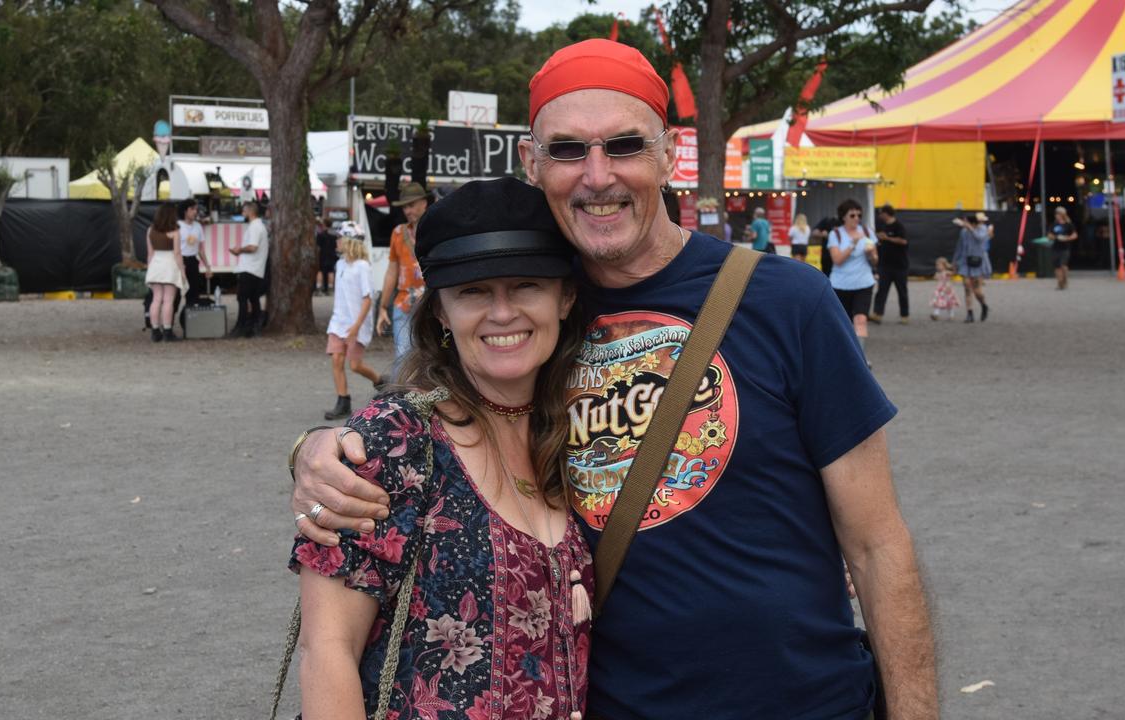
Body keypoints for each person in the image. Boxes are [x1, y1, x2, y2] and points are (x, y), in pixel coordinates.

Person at [292, 39, 937, 720]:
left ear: (669, 151)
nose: (597, 176)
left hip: (809, 703)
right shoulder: (530, 322)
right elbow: (428, 421)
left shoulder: (789, 303)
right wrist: (317, 449)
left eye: (624, 146)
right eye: (568, 150)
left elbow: (876, 546)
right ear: (531, 163)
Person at [291, 177, 592, 720]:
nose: (502, 313)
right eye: (473, 291)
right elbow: (326, 649)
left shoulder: (580, 435)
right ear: (439, 314)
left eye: (526, 285)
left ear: (565, 297)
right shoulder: (393, 444)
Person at [322, 236, 380, 420]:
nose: (337, 241)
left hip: (356, 323)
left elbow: (367, 298)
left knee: (355, 365)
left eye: (340, 238)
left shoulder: (362, 266)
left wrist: (356, 326)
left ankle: (379, 381)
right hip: (338, 321)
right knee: (337, 360)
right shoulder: (340, 264)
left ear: (350, 241)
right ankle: (343, 400)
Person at [375, 182, 429, 376]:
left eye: (412, 204)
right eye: (405, 206)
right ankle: (402, 403)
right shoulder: (398, 233)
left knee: (431, 357)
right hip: (404, 305)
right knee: (403, 357)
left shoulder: (437, 228)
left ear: (424, 203)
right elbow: (392, 271)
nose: (408, 210)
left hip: (431, 306)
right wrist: (382, 306)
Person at [828, 199, 878, 365]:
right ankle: (843, 356)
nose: (857, 218)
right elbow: (837, 260)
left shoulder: (868, 232)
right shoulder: (835, 234)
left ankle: (860, 360)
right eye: (852, 215)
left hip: (864, 282)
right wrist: (853, 244)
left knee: (861, 320)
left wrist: (871, 254)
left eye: (859, 215)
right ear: (844, 217)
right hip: (840, 284)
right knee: (843, 323)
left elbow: (875, 261)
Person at [144, 202, 186, 342]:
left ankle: (155, 331)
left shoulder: (150, 230)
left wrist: (150, 269)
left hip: (155, 265)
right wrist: (182, 271)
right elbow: (177, 254)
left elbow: (150, 254)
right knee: (168, 300)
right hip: (170, 266)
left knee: (156, 299)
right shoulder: (175, 231)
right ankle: (168, 331)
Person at [229, 200, 269, 337]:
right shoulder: (258, 226)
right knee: (253, 298)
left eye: (244, 210)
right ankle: (253, 326)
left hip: (250, 267)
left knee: (242, 297)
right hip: (255, 267)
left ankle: (241, 326)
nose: (242, 213)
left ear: (250, 212)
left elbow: (253, 247)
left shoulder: (255, 227)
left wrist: (239, 250)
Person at [870, 204, 910, 325]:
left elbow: (904, 241)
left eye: (881, 213)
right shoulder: (882, 225)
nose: (880, 215)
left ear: (887, 213)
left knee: (902, 291)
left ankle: (905, 315)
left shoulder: (899, 226)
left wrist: (887, 238)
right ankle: (878, 314)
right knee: (881, 290)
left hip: (900, 266)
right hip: (884, 265)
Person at [952, 214, 991, 323]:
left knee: (977, 290)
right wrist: (954, 262)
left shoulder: (983, 229)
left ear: (973, 223)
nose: (964, 224)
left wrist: (970, 228)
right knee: (967, 287)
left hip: (977, 262)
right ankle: (970, 313)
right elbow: (959, 247)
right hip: (965, 262)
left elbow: (980, 239)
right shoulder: (963, 232)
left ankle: (984, 305)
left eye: (966, 222)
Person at [177, 200, 213, 313]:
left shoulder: (198, 226)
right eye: (192, 209)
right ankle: (169, 324)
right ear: (185, 211)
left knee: (193, 292)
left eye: (196, 209)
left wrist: (207, 266)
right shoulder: (177, 226)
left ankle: (190, 322)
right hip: (179, 261)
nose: (195, 212)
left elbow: (201, 249)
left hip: (193, 261)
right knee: (175, 294)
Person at [1048, 205, 1077, 290]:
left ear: (1063, 214)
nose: (1057, 215)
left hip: (1065, 248)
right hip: (1055, 247)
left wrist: (1067, 238)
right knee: (1057, 266)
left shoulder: (1069, 224)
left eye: (1058, 214)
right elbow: (1049, 234)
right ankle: (1059, 282)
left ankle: (1065, 278)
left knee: (1063, 265)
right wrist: (1055, 237)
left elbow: (1075, 234)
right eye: (1056, 214)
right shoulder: (1053, 224)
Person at [315, 216, 338, 296]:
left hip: (322, 255)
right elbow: (336, 246)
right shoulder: (335, 234)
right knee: (331, 271)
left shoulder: (320, 234)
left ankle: (319, 289)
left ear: (324, 224)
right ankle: (330, 289)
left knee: (320, 271)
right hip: (332, 255)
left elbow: (318, 246)